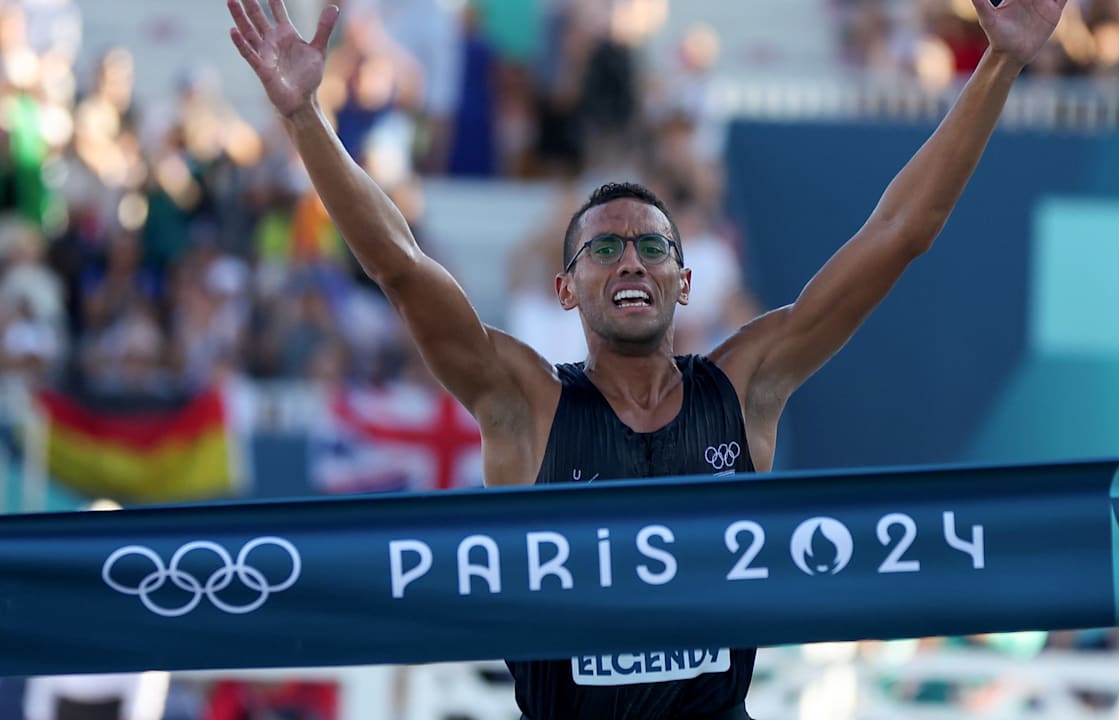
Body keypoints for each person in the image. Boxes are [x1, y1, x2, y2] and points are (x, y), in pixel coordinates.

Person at [224, 0, 1067, 717]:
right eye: (605, 248)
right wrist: (303, 117)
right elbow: (400, 266)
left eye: (652, 245)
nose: (630, 259)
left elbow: (897, 235)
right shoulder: (524, 406)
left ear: (684, 278)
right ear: (565, 289)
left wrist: (997, 64)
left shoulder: (746, 387)